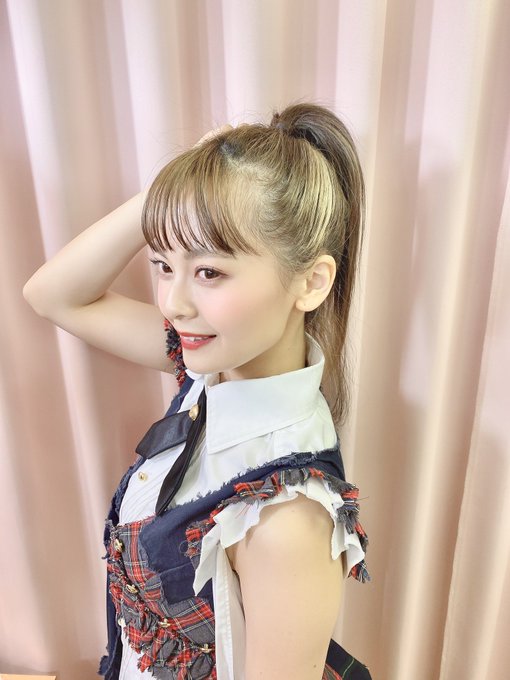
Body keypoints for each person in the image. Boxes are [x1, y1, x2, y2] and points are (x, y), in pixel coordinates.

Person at [23, 102, 371, 680]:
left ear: (311, 282)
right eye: (163, 265)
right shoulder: (211, 366)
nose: (173, 303)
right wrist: (176, 196)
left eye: (209, 272)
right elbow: (52, 295)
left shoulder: (287, 519)